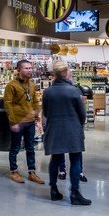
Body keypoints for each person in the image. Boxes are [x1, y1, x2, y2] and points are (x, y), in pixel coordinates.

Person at [42, 63, 91, 205]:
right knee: (75, 159)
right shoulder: (74, 91)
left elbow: (45, 111)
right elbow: (82, 114)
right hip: (72, 129)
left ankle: (53, 189)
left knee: (55, 159)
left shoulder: (48, 92)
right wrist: (79, 124)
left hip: (54, 128)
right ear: (64, 73)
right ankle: (74, 193)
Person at [3, 59, 44, 184]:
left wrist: (37, 117)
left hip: (30, 122)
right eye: (26, 68)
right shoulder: (11, 85)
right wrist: (13, 122)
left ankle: (32, 172)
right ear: (18, 70)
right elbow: (8, 104)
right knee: (15, 148)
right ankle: (14, 171)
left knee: (30, 148)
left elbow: (35, 101)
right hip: (18, 122)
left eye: (30, 68)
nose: (29, 70)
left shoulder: (31, 84)